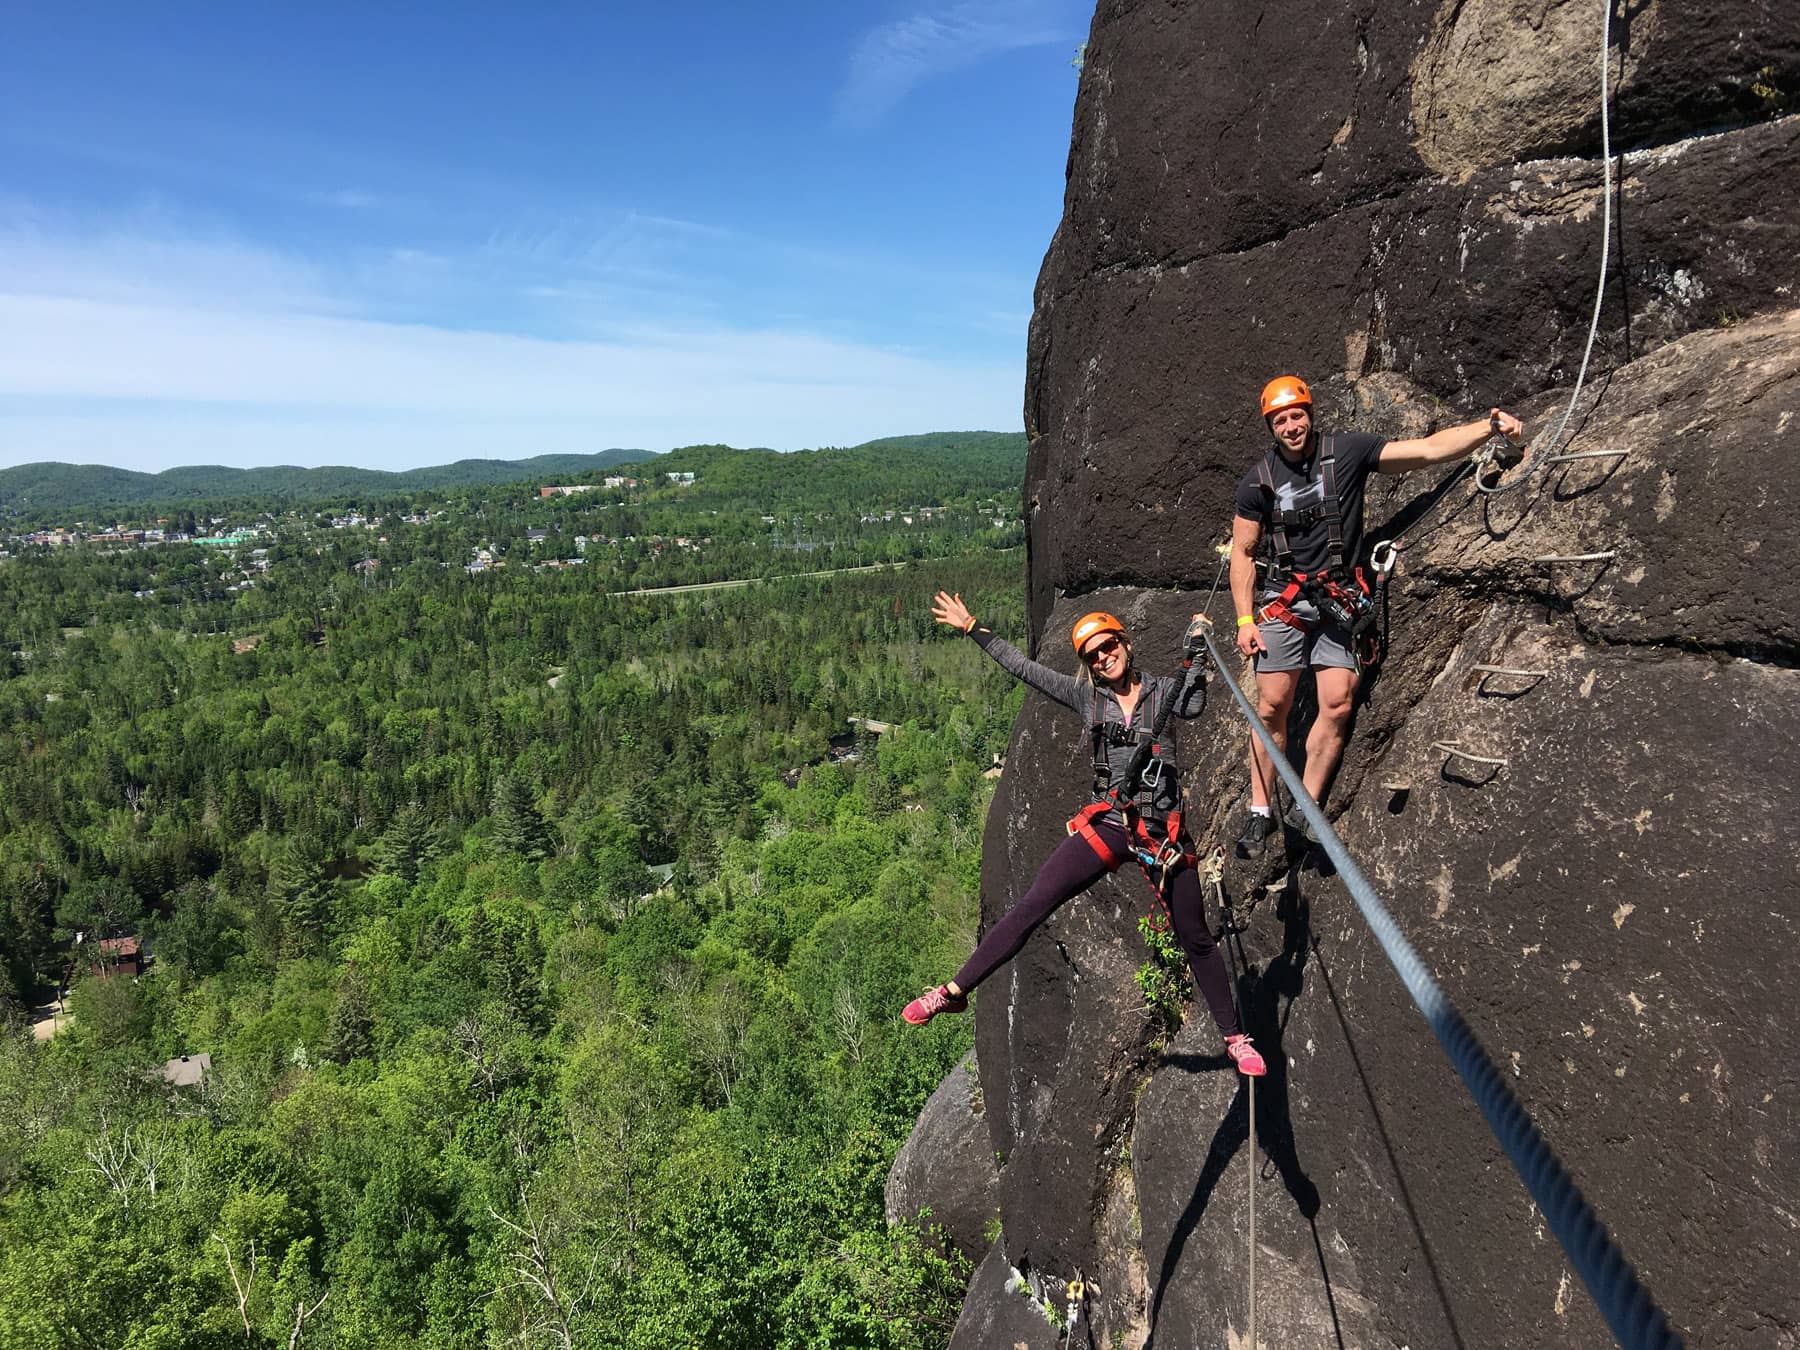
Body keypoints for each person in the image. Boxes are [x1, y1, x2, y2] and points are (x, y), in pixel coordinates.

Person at [902, 591, 1267, 1077]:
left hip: (1163, 833)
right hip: (1111, 823)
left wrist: (1198, 652)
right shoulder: (1086, 698)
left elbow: (1196, 705)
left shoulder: (1163, 690)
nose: (1102, 657)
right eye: (1093, 654)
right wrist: (973, 627)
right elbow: (1024, 669)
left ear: (1125, 644)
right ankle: (952, 992)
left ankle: (1235, 1039)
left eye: (1108, 646)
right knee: (1034, 903)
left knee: (1195, 935)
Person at [1229, 375, 1525, 857]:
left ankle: (1307, 806)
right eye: (1280, 419)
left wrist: (1487, 427)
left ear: (1310, 413)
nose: (1291, 425)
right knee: (1271, 706)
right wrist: (1245, 621)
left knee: (1339, 703)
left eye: (1297, 414)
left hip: (1340, 594)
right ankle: (1260, 810)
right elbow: (1243, 552)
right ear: (1271, 426)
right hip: (1286, 599)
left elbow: (1427, 450)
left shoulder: (1347, 452)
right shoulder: (1257, 482)